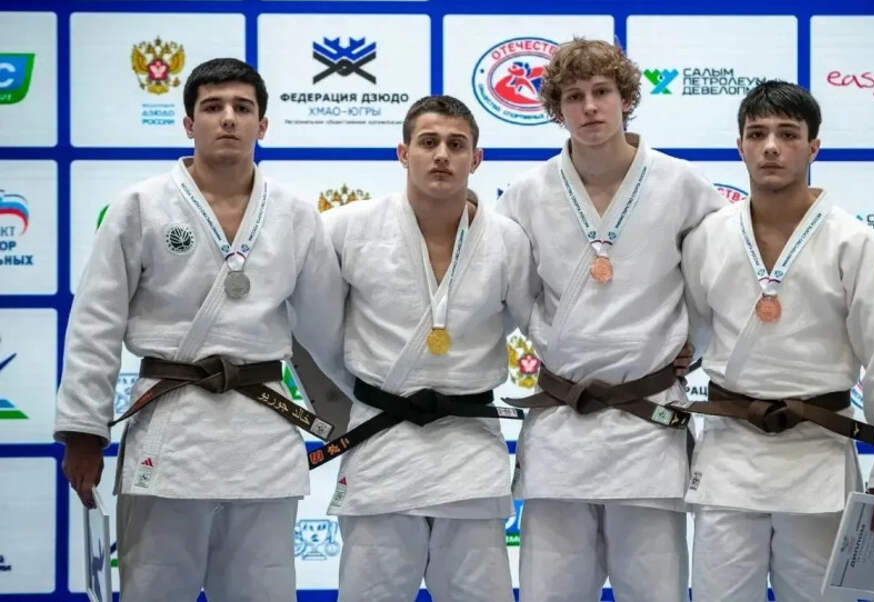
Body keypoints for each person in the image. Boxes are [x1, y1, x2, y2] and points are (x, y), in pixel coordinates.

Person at [55, 57, 344, 601]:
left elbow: (327, 333)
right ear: (189, 123)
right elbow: (96, 324)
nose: (228, 118)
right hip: (171, 428)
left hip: (262, 432)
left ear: (263, 124)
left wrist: (360, 419)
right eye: (213, 107)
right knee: (154, 589)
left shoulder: (295, 214)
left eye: (242, 108)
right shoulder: (139, 206)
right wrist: (84, 431)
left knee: (263, 591)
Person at [680, 80, 874, 601]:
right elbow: (693, 333)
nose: (771, 146)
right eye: (757, 134)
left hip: (817, 451)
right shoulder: (707, 237)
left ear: (813, 147)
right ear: (740, 146)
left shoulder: (856, 242)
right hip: (730, 453)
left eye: (788, 134)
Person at [496, 38, 725, 602]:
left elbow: (718, 284)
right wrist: (554, 344)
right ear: (557, 109)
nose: (590, 107)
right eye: (574, 96)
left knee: (656, 593)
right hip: (561, 423)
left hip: (648, 424)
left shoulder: (683, 185)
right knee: (549, 594)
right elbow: (514, 295)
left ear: (626, 99)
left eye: (602, 91)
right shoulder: (525, 194)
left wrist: (692, 347)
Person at [318, 95, 536, 602]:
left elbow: (534, 324)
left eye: (456, 145)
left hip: (469, 448)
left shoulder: (507, 240)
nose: (442, 155)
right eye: (428, 142)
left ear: (476, 159)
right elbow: (314, 327)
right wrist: (352, 395)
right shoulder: (348, 228)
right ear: (403, 153)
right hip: (381, 443)